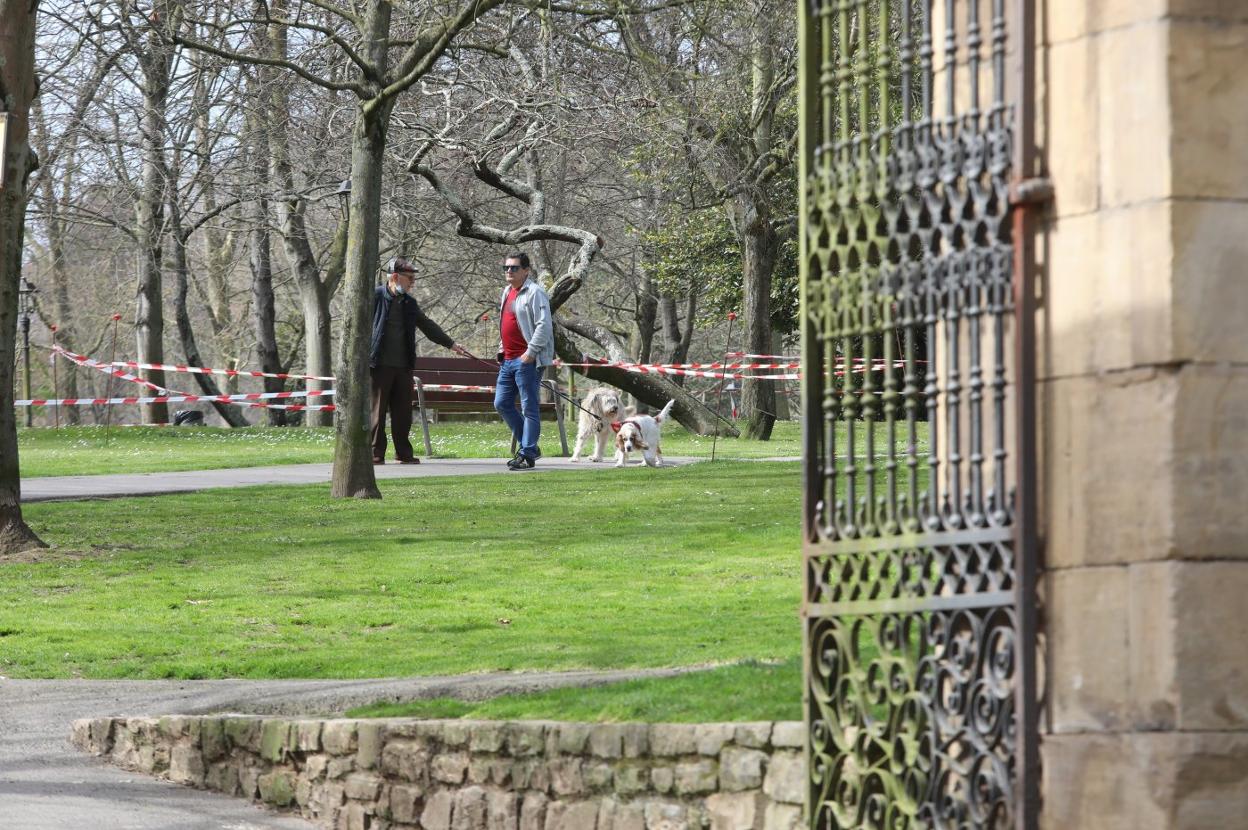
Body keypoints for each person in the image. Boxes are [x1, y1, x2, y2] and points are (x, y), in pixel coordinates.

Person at [370, 257, 469, 464]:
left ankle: (403, 453)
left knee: (403, 413)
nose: (413, 283)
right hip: (379, 365)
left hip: (404, 366)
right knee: (377, 412)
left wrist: (451, 344)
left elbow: (428, 326)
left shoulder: (409, 303)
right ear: (395, 277)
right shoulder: (376, 296)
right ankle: (375, 453)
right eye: (410, 278)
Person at [494, 252, 554, 470]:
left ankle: (527, 454)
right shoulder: (507, 292)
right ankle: (531, 446)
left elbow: (544, 326)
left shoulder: (536, 292)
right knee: (501, 403)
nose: (509, 271)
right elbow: (507, 323)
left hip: (527, 360)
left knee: (529, 407)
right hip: (508, 360)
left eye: (514, 268)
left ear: (526, 271)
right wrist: (502, 349)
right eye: (506, 268)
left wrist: (531, 352)